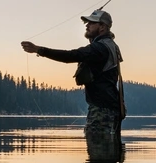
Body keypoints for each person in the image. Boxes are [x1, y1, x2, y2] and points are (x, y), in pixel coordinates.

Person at [21, 9, 125, 141]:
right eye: (87, 23)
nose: (87, 25)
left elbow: (71, 55)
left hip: (102, 112)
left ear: (102, 27)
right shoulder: (108, 45)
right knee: (104, 156)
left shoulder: (99, 48)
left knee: (99, 155)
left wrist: (39, 50)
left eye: (92, 23)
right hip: (108, 109)